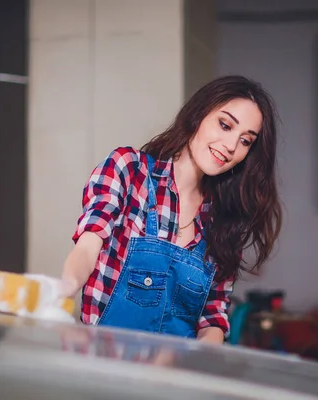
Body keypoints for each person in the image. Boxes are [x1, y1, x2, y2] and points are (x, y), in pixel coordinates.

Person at [60, 75, 282, 345]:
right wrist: (65, 288)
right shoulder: (129, 171)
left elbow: (213, 317)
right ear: (198, 115)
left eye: (246, 141)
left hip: (174, 380)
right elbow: (89, 243)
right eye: (225, 125)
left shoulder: (224, 221)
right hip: (104, 372)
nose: (231, 146)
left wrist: (198, 363)